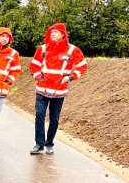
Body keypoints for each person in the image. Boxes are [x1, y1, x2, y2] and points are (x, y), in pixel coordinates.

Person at [29, 23, 88, 155]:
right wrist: (38, 77)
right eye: (51, 32)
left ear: (63, 34)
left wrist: (70, 77)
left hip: (59, 90)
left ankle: (49, 144)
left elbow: (82, 66)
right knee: (39, 115)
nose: (53, 34)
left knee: (54, 118)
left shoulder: (73, 50)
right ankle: (39, 144)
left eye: (56, 31)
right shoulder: (42, 49)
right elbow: (34, 65)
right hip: (42, 88)